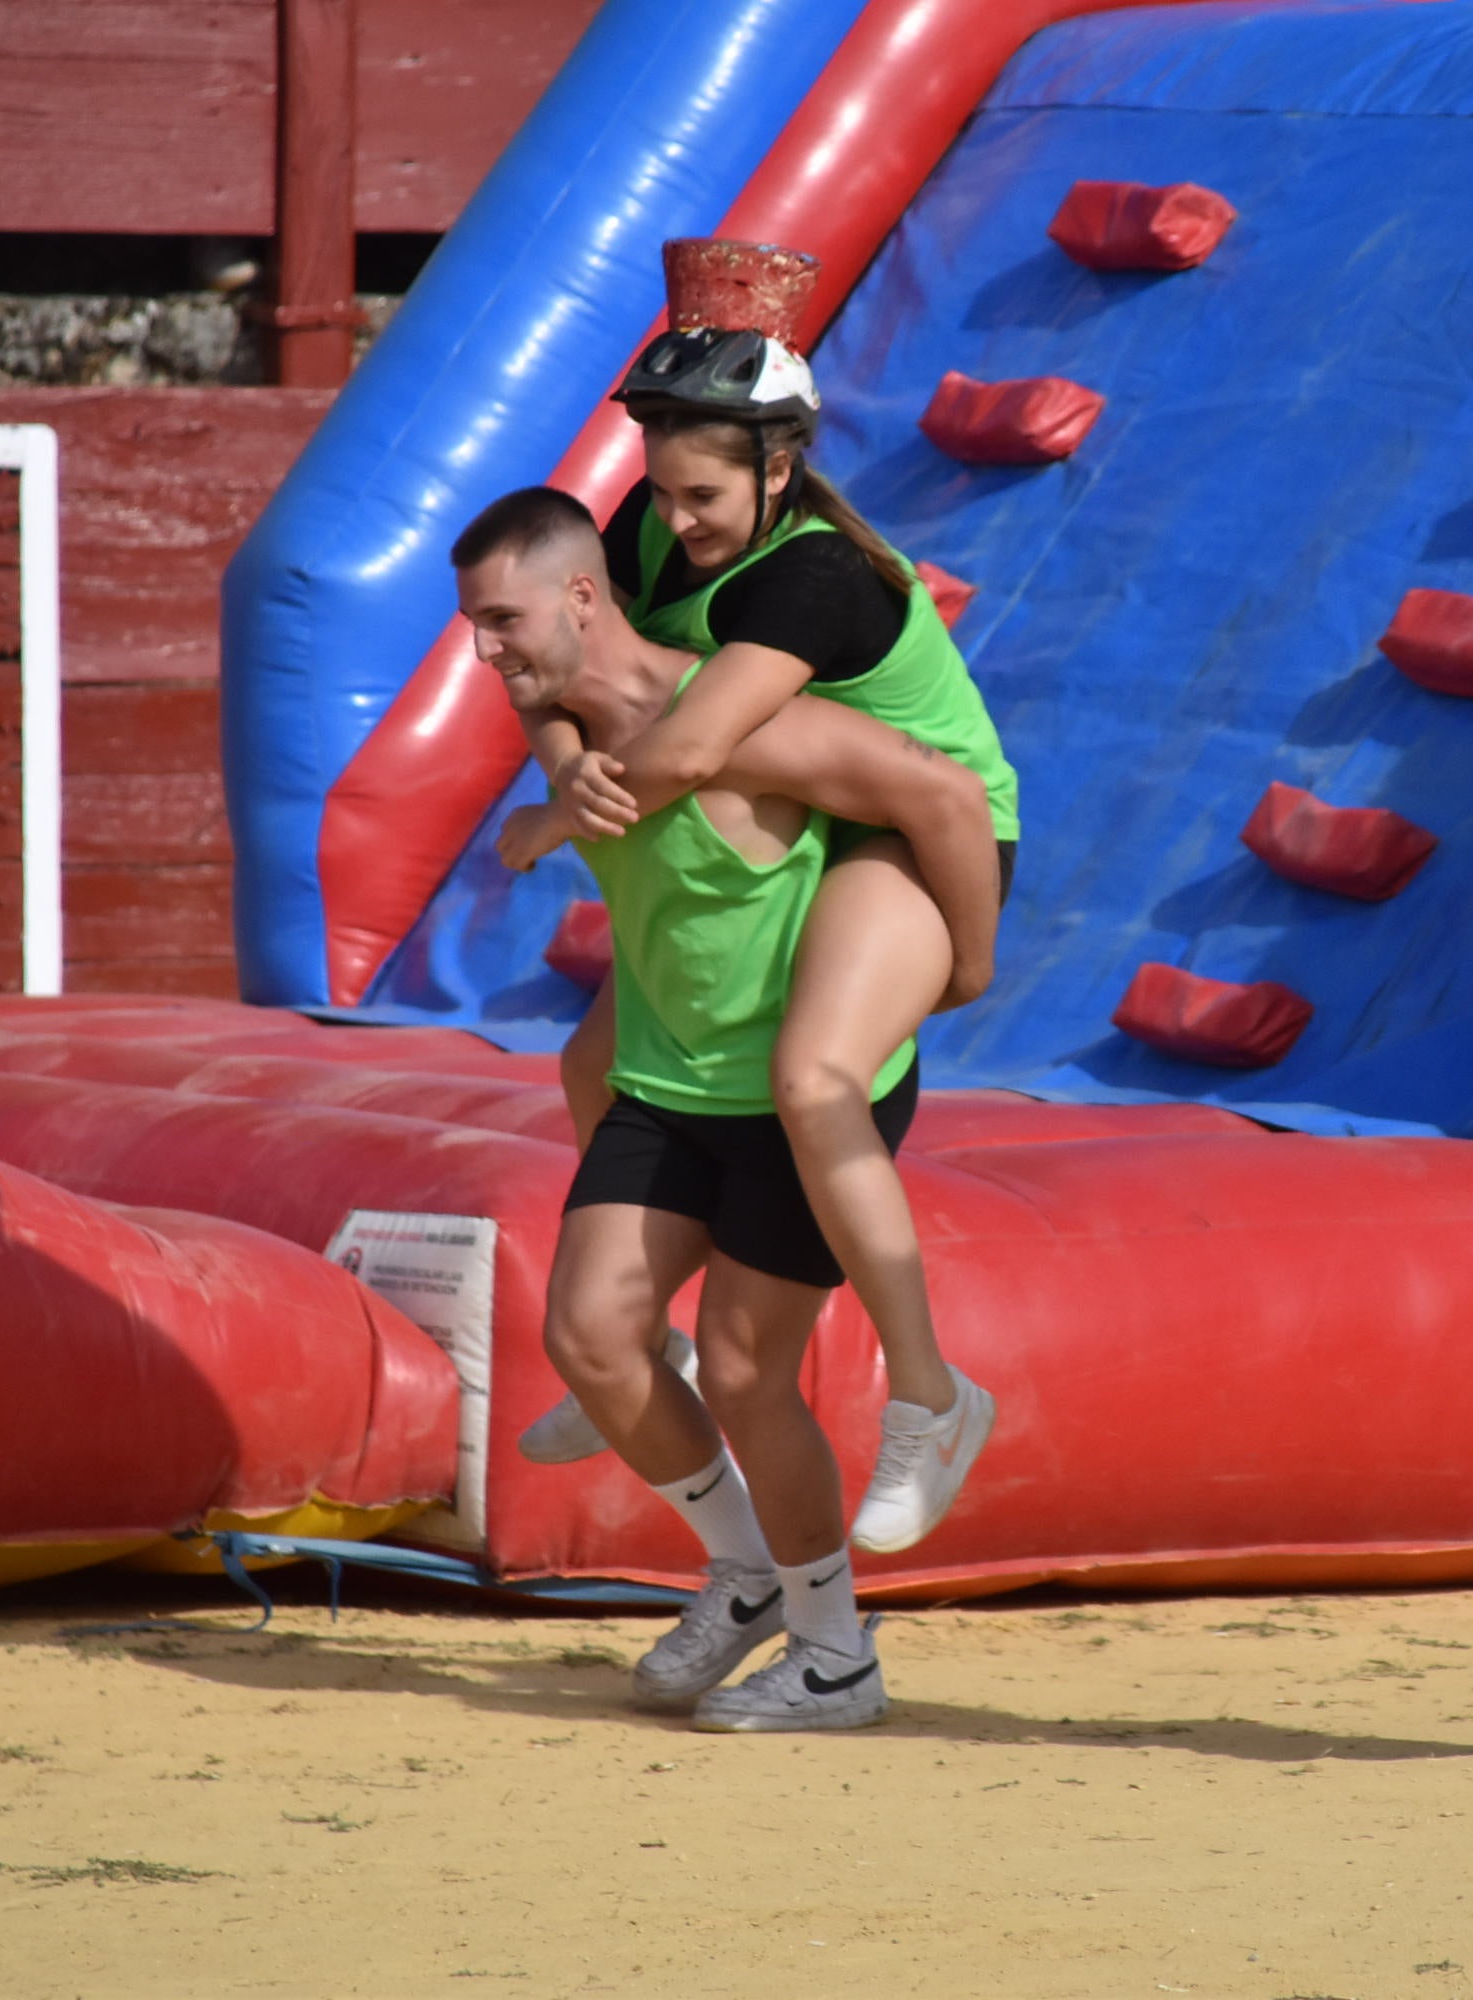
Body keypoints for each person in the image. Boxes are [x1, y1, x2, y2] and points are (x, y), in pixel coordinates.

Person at [451, 484, 1001, 1729]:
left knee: (754, 1376)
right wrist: (541, 816)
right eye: (475, 628)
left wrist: (965, 971)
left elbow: (948, 794)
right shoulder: (560, 722)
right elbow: (554, 800)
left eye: (502, 622)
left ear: (583, 600)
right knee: (593, 1337)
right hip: (664, 1074)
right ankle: (747, 1571)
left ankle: (835, 1651)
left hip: (793, 1095)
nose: (486, 653)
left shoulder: (738, 722)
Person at [502, 241, 1021, 1555]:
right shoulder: (648, 532)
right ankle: (642, 1342)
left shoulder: (813, 577)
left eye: (703, 494)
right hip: (807, 827)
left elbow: (680, 749)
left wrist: (970, 953)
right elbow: (576, 684)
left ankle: (931, 1396)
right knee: (590, 1066)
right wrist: (566, 768)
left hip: (917, 831)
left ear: (777, 469)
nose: (673, 521)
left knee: (812, 1081)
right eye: (659, 488)